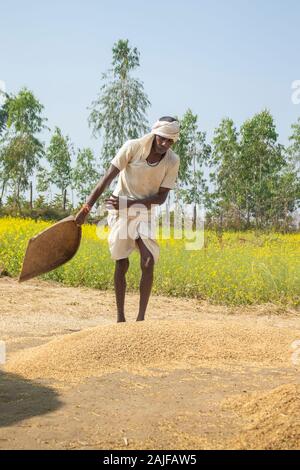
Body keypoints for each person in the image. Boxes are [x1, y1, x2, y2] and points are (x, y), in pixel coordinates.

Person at [75, 116, 180, 322]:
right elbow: (106, 180)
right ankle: (120, 318)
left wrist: (130, 205)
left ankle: (140, 320)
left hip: (144, 211)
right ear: (154, 134)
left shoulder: (172, 161)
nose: (165, 144)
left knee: (148, 261)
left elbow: (161, 197)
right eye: (162, 139)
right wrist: (85, 209)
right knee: (121, 264)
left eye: (170, 141)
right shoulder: (133, 148)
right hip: (120, 210)